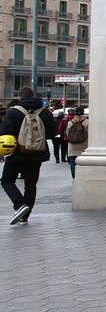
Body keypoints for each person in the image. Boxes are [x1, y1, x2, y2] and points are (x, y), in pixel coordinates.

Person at [1, 87, 56, 225]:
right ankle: (25, 216)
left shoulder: (13, 112)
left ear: (20, 97)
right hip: (37, 154)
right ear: (33, 96)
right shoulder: (45, 113)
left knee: (7, 181)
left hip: (16, 155)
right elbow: (52, 133)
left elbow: (5, 134)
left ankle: (19, 205)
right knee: (31, 185)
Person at [65, 108, 89, 179]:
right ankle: (82, 178)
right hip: (84, 147)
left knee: (73, 164)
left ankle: (74, 178)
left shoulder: (70, 122)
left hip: (72, 148)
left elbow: (67, 134)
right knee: (83, 165)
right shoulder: (87, 122)